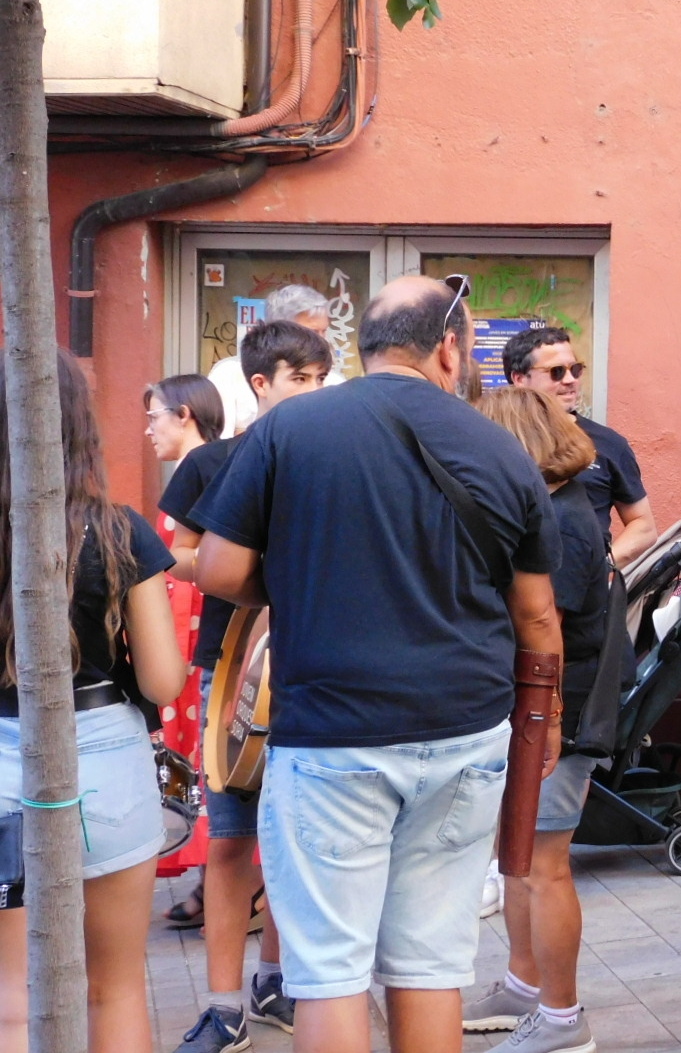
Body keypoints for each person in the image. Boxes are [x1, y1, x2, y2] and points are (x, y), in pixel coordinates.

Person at [193, 276, 564, 1053]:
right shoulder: (501, 446)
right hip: (465, 732)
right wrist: (547, 722)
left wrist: (301, 578)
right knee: (430, 966)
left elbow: (220, 570)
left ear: (362, 347)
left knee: (329, 970)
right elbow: (536, 617)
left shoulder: (290, 428)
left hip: (333, 737)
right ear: (449, 350)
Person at [0, 351, 186, 1053]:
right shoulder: (118, 530)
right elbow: (164, 682)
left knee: (11, 999)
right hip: (105, 759)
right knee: (117, 988)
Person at [165, 321, 334, 1053]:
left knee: (297, 840)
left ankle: (277, 980)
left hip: (317, 664)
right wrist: (250, 575)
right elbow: (177, 552)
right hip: (234, 666)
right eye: (300, 378)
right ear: (261, 383)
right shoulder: (214, 461)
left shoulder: (333, 456)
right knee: (232, 840)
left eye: (321, 378)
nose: (313, 391)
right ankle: (224, 1006)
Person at [466, 388, 610, 1053]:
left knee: (544, 865)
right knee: (518, 860)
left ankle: (561, 1017)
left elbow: (542, 622)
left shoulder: (564, 520)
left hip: (560, 710)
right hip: (537, 706)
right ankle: (525, 986)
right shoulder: (553, 507)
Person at [143, 373, 224, 926]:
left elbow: (183, 579)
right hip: (191, 635)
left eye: (155, 417)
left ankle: (224, 884)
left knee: (200, 755)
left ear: (184, 415)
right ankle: (212, 882)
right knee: (198, 758)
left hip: (195, 638)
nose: (149, 430)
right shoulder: (208, 467)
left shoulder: (199, 470)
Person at [503, 326, 659, 567]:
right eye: (556, 372)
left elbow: (643, 525)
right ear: (519, 379)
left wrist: (599, 569)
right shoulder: (498, 440)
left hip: (584, 584)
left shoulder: (608, 443)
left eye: (575, 370)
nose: (570, 380)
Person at [207, 284, 345, 438]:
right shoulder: (229, 375)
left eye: (324, 331)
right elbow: (217, 444)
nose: (321, 340)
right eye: (311, 332)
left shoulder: (334, 382)